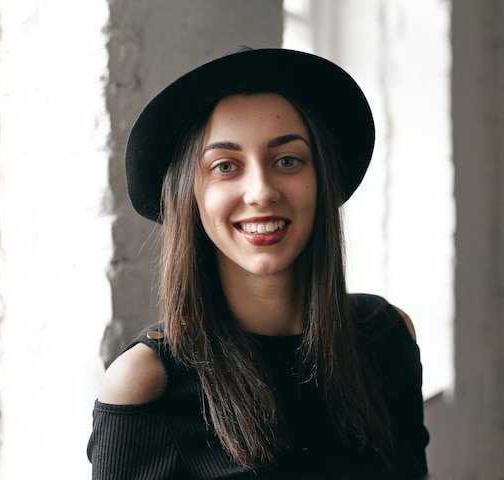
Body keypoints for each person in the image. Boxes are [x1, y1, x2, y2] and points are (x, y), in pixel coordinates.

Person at [87, 45, 429, 479]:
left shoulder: (387, 335)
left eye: (287, 160)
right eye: (226, 166)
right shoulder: (146, 383)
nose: (261, 191)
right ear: (189, 197)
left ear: (321, 181)